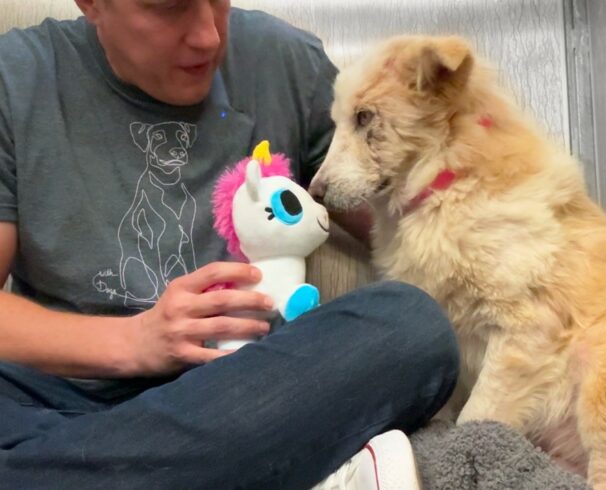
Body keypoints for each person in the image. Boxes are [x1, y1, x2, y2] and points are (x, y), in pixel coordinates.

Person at [0, 0, 459, 488]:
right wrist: (133, 343)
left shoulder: (284, 61)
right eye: (169, 7)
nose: (209, 37)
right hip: (55, 400)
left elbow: (427, 226)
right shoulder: (17, 77)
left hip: (252, 386)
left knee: (411, 325)